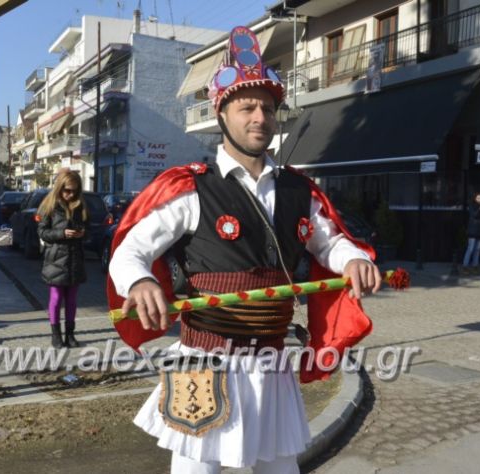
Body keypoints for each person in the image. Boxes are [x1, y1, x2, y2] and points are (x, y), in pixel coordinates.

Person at [107, 26, 381, 474]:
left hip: (271, 363)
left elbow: (329, 242)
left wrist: (353, 259)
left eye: (268, 108)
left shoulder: (299, 190)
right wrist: (138, 282)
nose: (259, 117)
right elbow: (128, 252)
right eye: (247, 106)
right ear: (221, 113)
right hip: (203, 363)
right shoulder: (191, 187)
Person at [37, 169, 87, 349]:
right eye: (67, 190)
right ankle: (56, 335)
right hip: (56, 259)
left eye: (74, 190)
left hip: (74, 258)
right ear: (59, 188)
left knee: (72, 300)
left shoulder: (80, 205)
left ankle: (70, 335)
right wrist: (62, 233)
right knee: (56, 298)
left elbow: (87, 228)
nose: (70, 194)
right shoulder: (49, 205)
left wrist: (82, 233)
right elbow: (42, 232)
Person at [462, 192, 480, 273]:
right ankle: (465, 266)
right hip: (473, 230)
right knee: (471, 248)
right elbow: (475, 215)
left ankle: (475, 266)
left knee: (478, 249)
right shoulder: (472, 206)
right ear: (475, 199)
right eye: (478, 198)